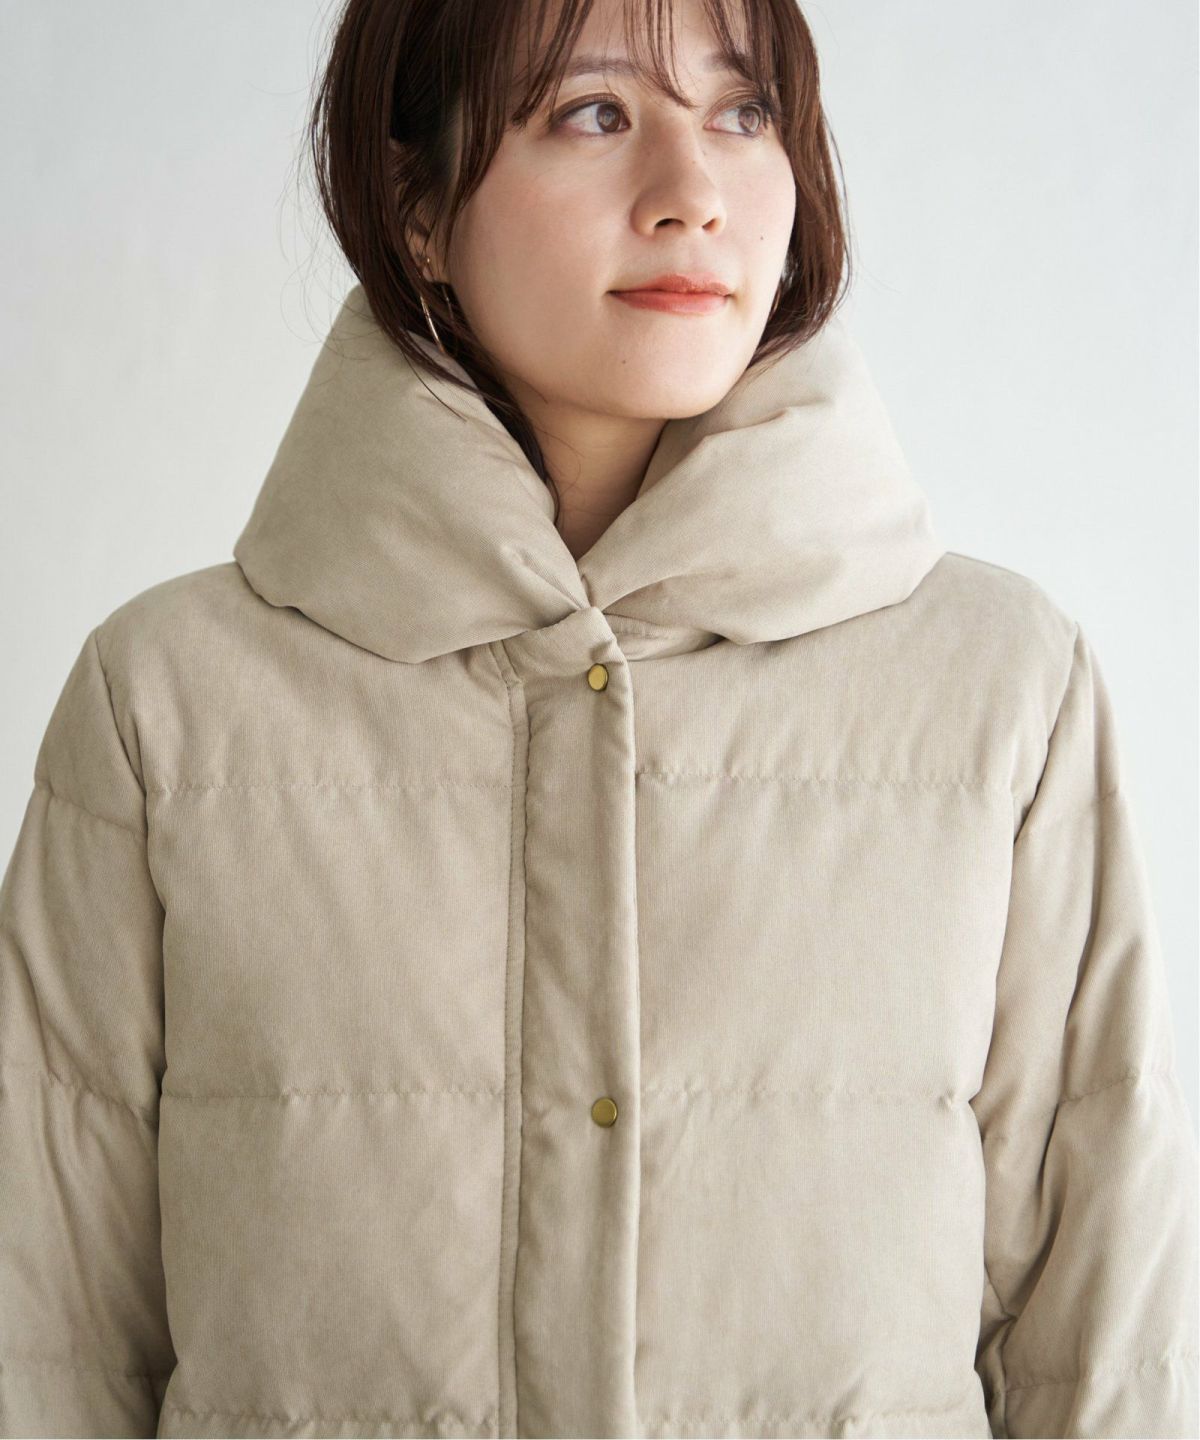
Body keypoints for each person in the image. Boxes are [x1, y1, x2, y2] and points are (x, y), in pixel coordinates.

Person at [1, 0, 1196, 1436]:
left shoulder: (1000, 693)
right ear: (417, 205)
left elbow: (1100, 1348)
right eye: (594, 112)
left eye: (744, 112)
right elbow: (46, 1346)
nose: (693, 192)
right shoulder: (167, 708)